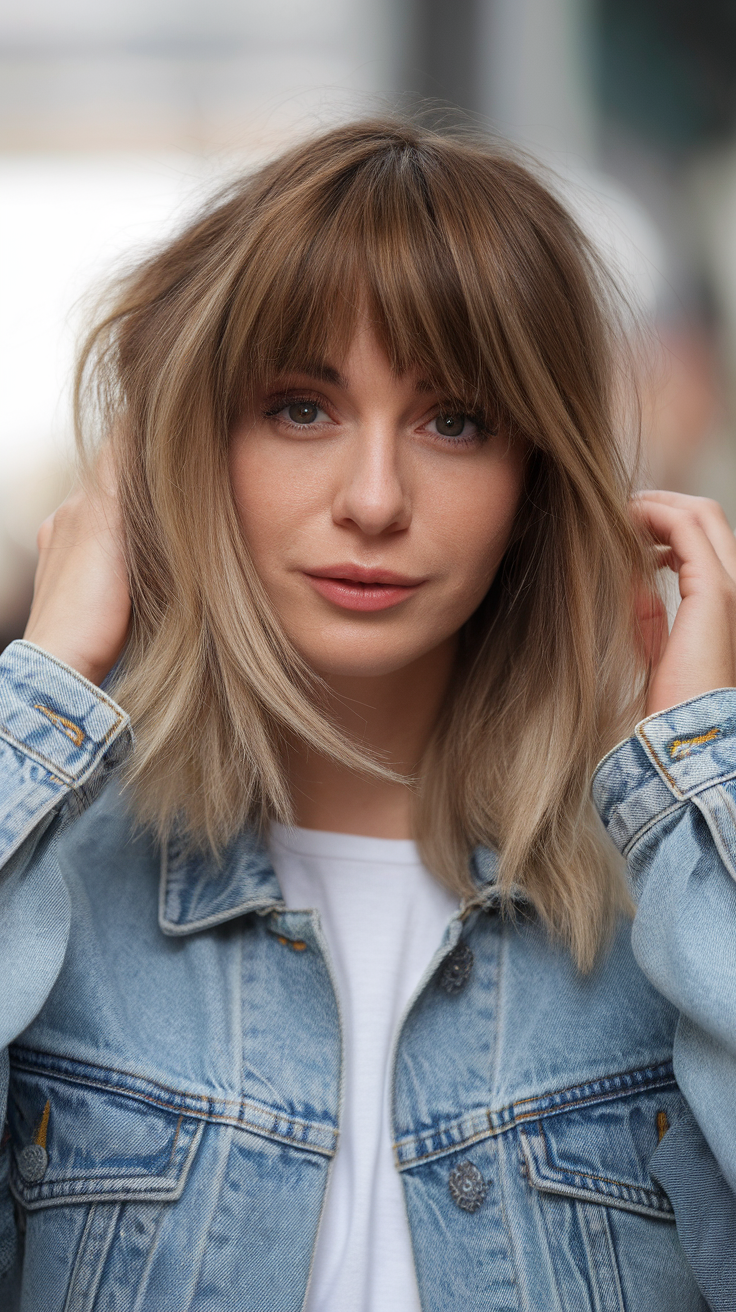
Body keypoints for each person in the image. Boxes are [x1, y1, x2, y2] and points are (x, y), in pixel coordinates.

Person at [0, 119, 733, 1312]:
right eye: (301, 408)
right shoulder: (56, 892)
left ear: (535, 474)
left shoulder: (670, 918)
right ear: (187, 448)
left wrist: (702, 780)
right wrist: (45, 681)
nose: (377, 499)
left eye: (456, 421)